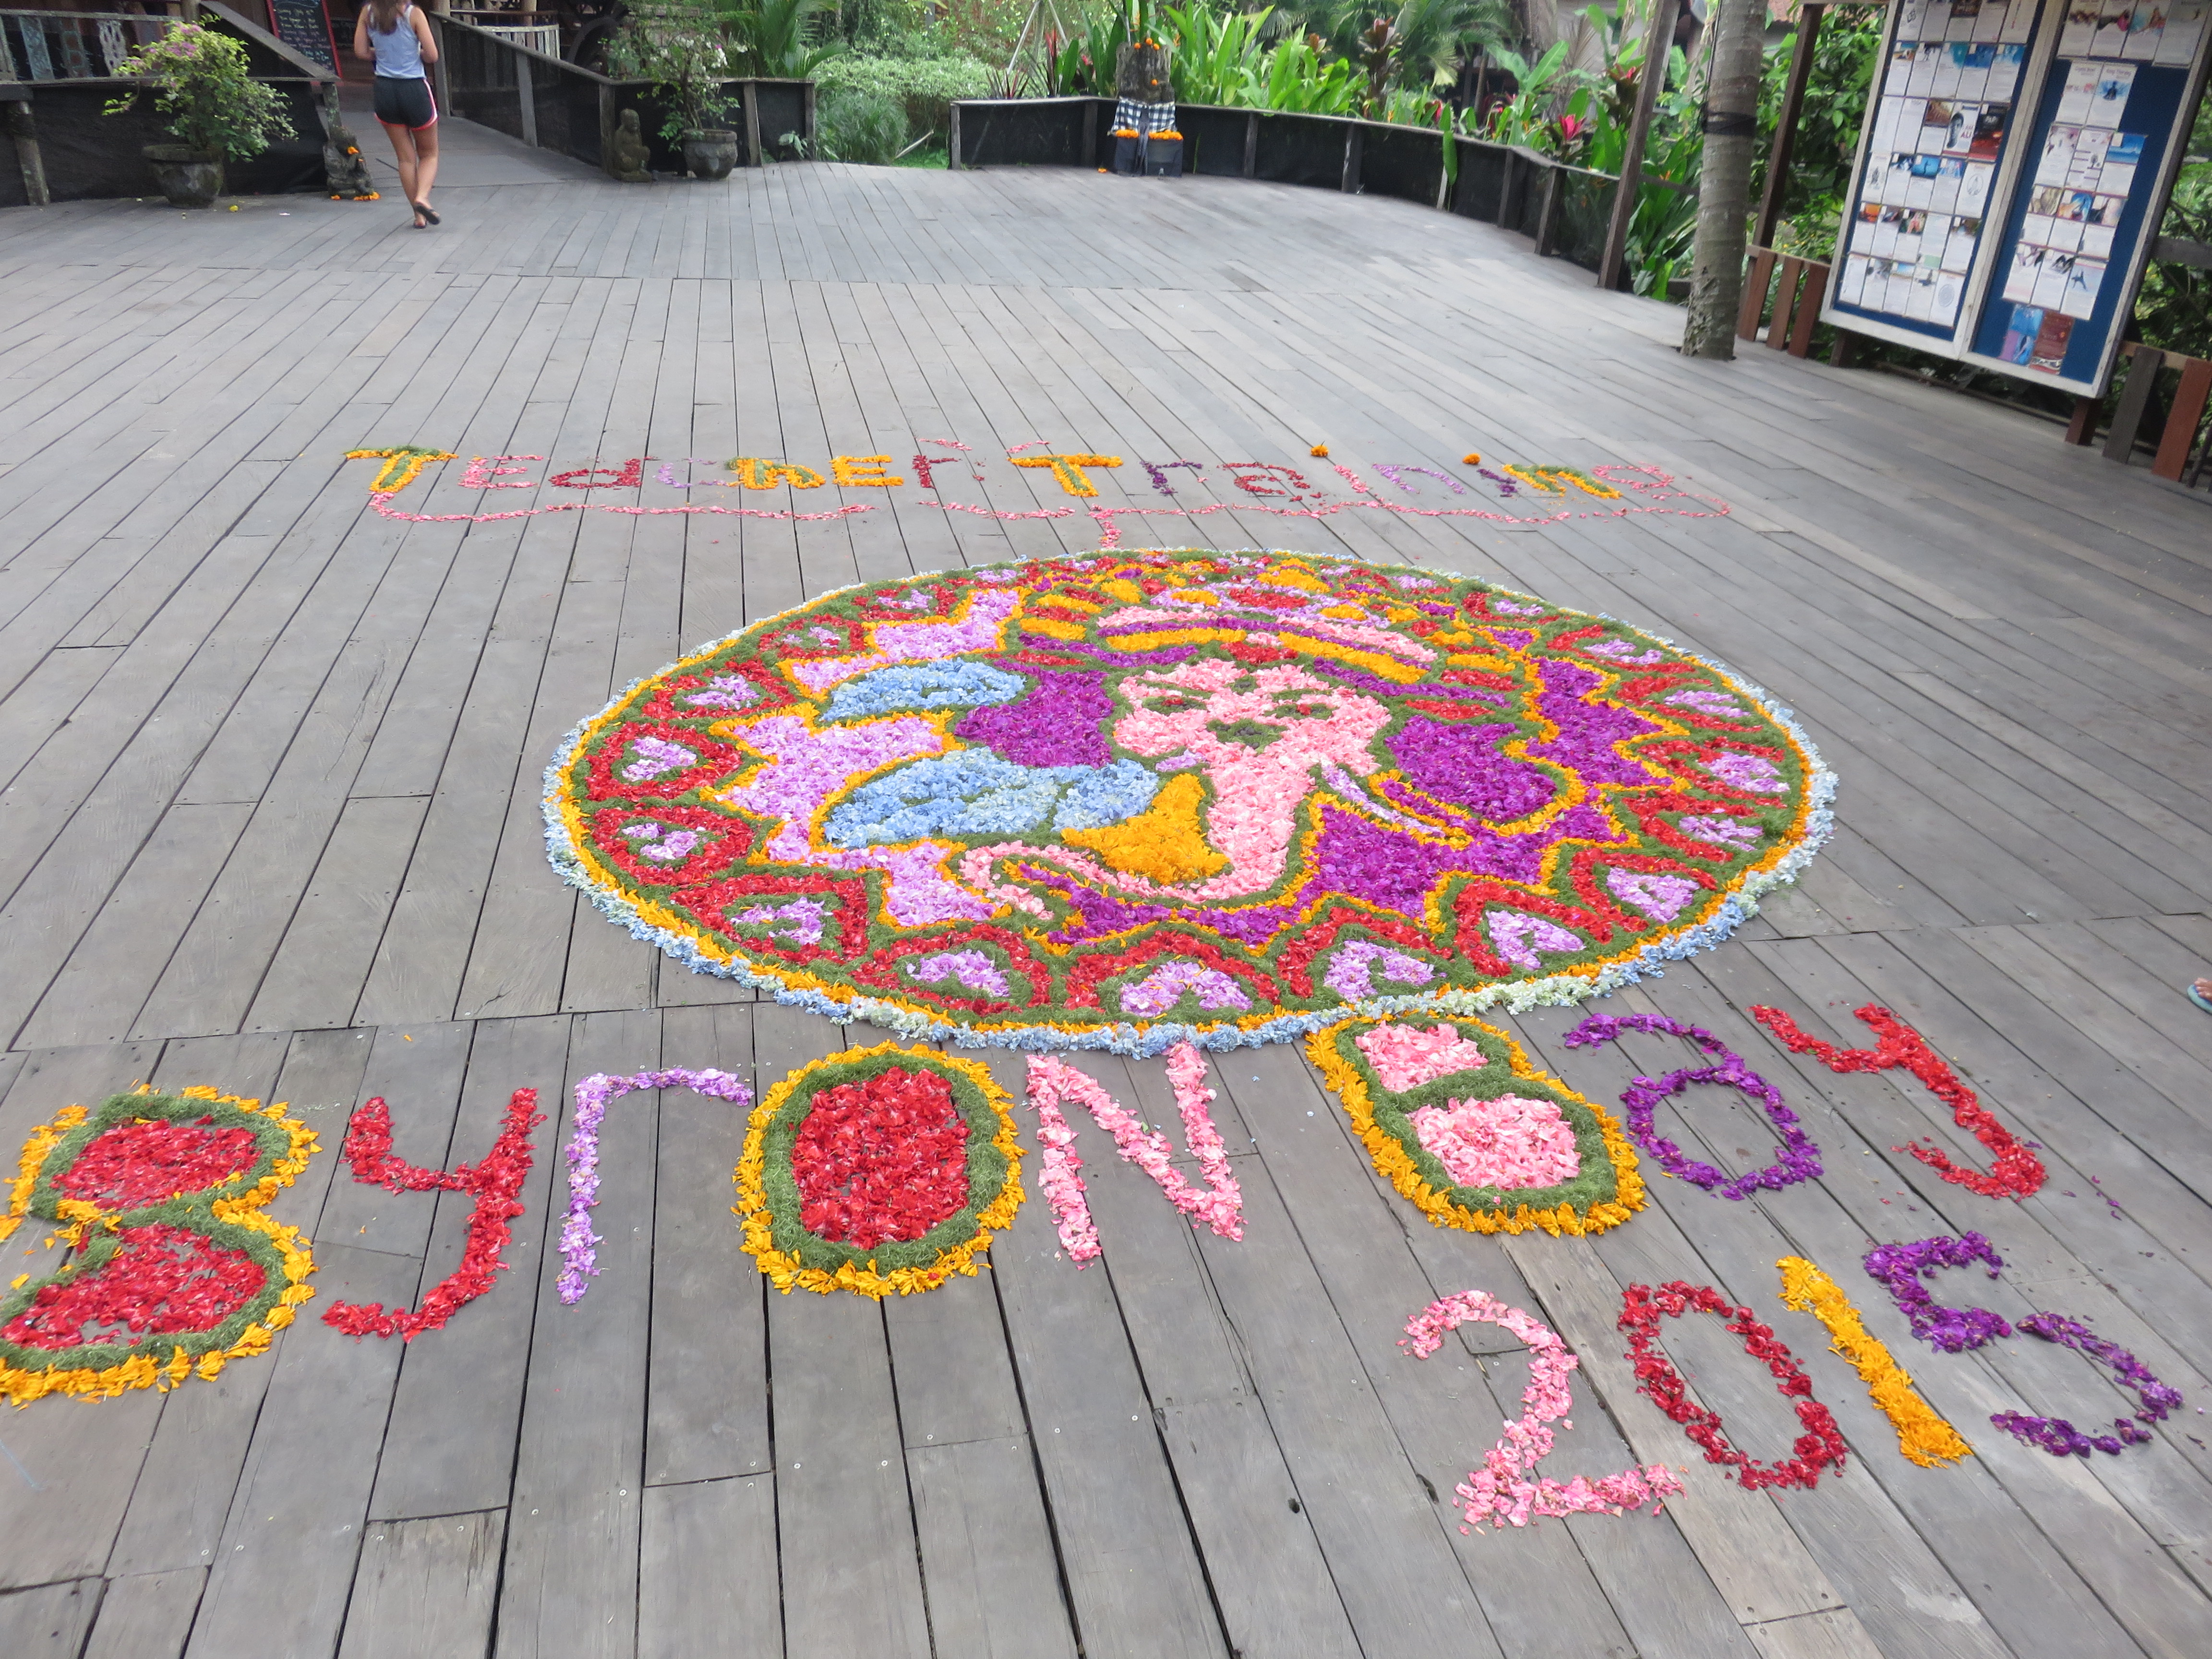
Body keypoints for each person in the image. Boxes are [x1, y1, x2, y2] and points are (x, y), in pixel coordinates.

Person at [354, 0, 442, 228]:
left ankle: (419, 217)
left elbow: (361, 52)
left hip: (385, 90)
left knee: (405, 158)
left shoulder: (368, 12)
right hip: (414, 88)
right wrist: (412, 53)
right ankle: (422, 198)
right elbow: (432, 56)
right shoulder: (414, 14)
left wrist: (382, 53)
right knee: (429, 154)